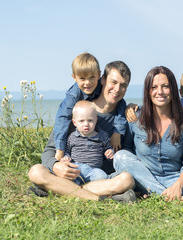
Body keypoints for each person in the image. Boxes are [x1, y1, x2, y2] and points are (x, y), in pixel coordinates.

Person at [113, 66, 183, 203]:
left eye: (165, 86)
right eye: (154, 87)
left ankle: (154, 192)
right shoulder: (135, 117)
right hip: (145, 175)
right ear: (147, 90)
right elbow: (128, 149)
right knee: (120, 157)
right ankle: (171, 196)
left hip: (176, 177)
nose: (160, 92)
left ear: (173, 90)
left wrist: (178, 185)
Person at [28, 61, 136, 202]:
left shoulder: (124, 119)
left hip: (100, 179)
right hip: (71, 174)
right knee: (36, 171)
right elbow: (49, 150)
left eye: (123, 85)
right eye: (113, 82)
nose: (117, 89)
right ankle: (99, 198)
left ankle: (60, 190)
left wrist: (132, 107)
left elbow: (128, 153)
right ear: (102, 79)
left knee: (127, 179)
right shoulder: (79, 111)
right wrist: (55, 166)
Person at [53, 53, 127, 161]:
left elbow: (121, 103)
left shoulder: (103, 85)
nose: (87, 83)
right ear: (74, 77)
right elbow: (62, 118)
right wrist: (60, 150)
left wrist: (117, 132)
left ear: (99, 75)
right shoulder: (73, 95)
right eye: (82, 78)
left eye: (92, 77)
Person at [61, 100, 114, 185]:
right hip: (77, 167)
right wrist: (66, 157)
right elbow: (67, 151)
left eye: (90, 120)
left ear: (96, 120)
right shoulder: (72, 137)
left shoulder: (102, 135)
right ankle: (76, 186)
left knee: (102, 176)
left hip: (94, 169)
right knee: (67, 178)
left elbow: (108, 148)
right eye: (81, 121)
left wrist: (110, 152)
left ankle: (86, 187)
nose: (86, 124)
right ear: (75, 122)